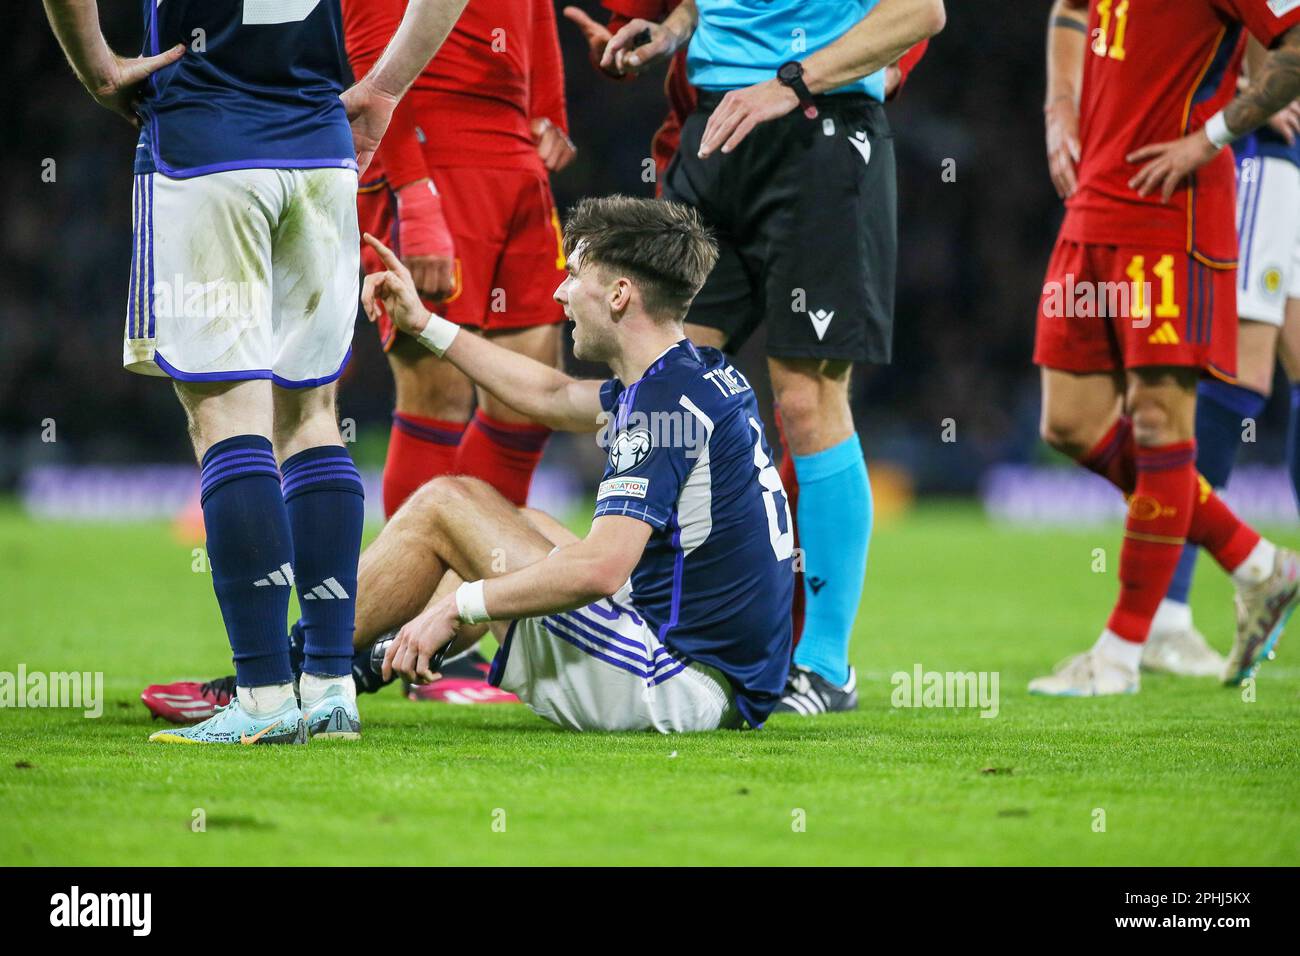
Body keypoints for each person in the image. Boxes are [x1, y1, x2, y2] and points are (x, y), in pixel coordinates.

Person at [43, 0, 467, 745]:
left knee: (226, 418)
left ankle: (265, 696)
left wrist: (98, 67)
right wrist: (384, 88)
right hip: (319, 148)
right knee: (312, 417)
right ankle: (332, 687)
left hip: (205, 147)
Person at [598, 0, 946, 715]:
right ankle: (666, 628)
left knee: (806, 396)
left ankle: (824, 663)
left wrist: (793, 80)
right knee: (662, 380)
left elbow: (921, 12)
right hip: (717, 130)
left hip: (821, 133)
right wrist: (673, 30)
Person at [360, 195, 794, 731]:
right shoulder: (697, 374)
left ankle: (293, 667)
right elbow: (553, 394)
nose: (560, 292)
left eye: (576, 275)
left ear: (618, 295)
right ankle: (375, 660)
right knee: (517, 522)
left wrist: (461, 605)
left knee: (444, 502)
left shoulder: (661, 406)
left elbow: (600, 569)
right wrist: (426, 323)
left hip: (674, 682)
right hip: (722, 677)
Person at [1030, 0, 1300, 697]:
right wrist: (1061, 107)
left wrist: (1211, 135)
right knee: (1069, 422)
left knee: (1158, 423)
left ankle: (1120, 655)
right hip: (1092, 202)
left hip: (1169, 207)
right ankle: (1257, 562)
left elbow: (1294, 44)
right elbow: (1069, 8)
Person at [1149, 43, 1300, 676]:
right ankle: (1167, 612)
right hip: (1264, 153)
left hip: (1284, 158)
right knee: (1239, 375)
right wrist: (1257, 88)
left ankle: (1168, 610)